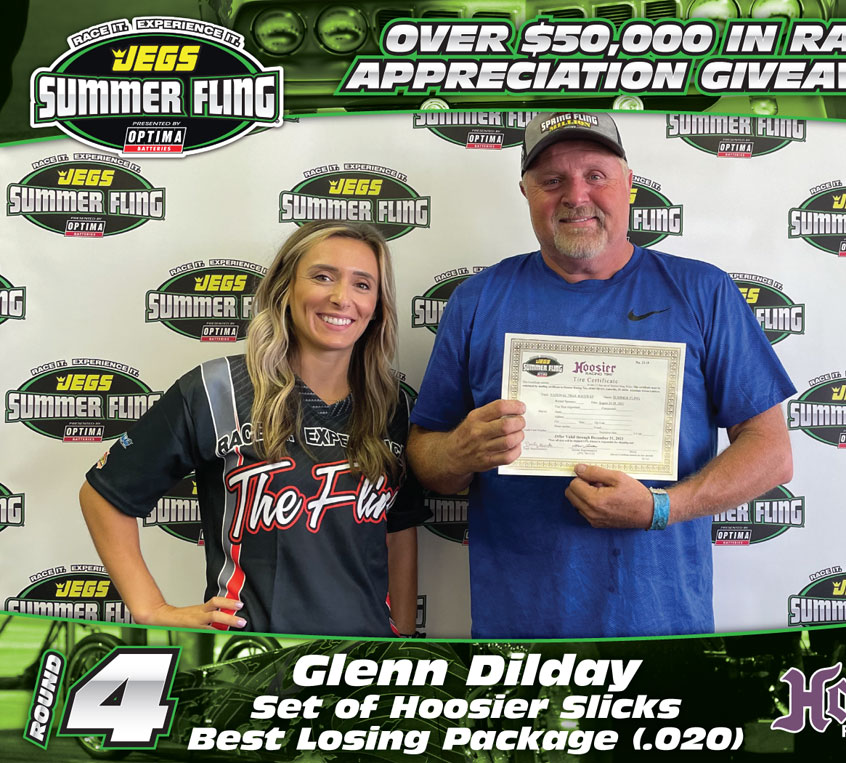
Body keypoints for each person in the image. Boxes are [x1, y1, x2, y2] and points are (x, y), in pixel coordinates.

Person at [407, 112, 795, 638]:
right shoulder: (477, 299)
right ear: (525, 193)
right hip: (519, 629)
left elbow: (772, 452)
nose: (576, 196)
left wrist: (661, 507)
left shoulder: (703, 292)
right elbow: (425, 456)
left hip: (663, 625)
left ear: (628, 184)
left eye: (596, 176)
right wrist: (458, 452)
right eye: (552, 180)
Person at [80, 221, 427, 637]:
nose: (341, 298)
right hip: (250, 657)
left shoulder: (393, 407)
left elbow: (399, 530)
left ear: (378, 305)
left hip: (361, 661)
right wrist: (151, 609)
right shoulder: (217, 389)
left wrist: (402, 638)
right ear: (285, 288)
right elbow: (104, 494)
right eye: (322, 277)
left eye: (362, 284)